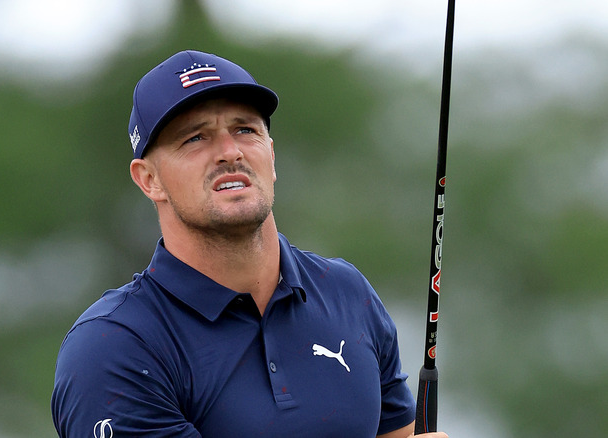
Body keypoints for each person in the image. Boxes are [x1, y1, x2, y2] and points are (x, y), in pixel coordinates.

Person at [51, 50, 449, 438]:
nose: (229, 152)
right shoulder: (112, 348)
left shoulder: (346, 291)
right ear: (148, 179)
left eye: (245, 129)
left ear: (271, 156)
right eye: (194, 138)